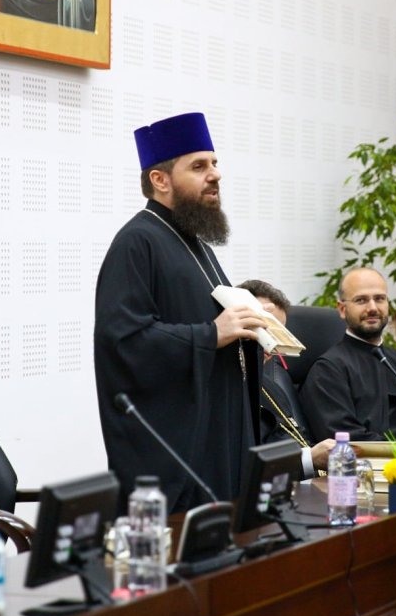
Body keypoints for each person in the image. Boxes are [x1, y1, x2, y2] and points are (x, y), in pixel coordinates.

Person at [94, 112, 268, 513]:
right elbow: (122, 342)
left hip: (218, 438)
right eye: (199, 166)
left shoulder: (195, 242)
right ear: (160, 180)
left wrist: (255, 329)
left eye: (215, 163)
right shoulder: (137, 243)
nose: (216, 175)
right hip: (173, 453)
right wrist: (211, 335)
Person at [298, 268, 396, 444]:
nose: (372, 308)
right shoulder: (328, 370)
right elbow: (349, 441)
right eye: (361, 300)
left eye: (379, 299)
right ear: (342, 309)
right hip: (385, 467)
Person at [236, 279, 334, 476]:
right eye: (263, 329)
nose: (272, 343)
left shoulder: (273, 387)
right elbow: (249, 465)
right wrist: (309, 458)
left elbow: (297, 441)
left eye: (278, 333)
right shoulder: (219, 390)